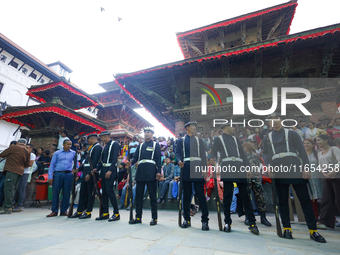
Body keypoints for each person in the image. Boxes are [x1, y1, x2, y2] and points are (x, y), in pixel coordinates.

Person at [263, 113, 326, 243]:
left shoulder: (292, 133)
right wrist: (268, 166)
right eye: (271, 121)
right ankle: (287, 228)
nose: (274, 122)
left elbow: (302, 151)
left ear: (281, 120)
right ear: (269, 123)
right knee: (282, 202)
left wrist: (306, 168)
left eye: (276, 119)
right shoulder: (267, 137)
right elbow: (265, 154)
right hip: (278, 171)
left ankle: (313, 231)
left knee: (304, 200)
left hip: (295, 168)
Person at [211, 123, 259, 235]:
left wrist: (247, 168)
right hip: (227, 167)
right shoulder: (218, 139)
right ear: (224, 128)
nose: (233, 128)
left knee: (245, 196)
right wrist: (213, 159)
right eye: (230, 126)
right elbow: (213, 152)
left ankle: (252, 223)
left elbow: (243, 154)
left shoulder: (236, 139)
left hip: (239, 167)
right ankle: (228, 222)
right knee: (228, 196)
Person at [176, 121, 210, 231]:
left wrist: (205, 168)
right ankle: (187, 219)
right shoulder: (181, 141)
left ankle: (205, 220)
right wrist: (179, 161)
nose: (195, 127)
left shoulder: (199, 140)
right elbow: (178, 154)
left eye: (195, 126)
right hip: (186, 167)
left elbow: (203, 157)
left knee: (201, 195)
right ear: (187, 128)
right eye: (192, 126)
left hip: (197, 167)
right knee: (186, 195)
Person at [127, 127, 161, 226]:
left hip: (151, 170)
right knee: (138, 196)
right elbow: (135, 157)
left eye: (148, 132)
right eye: (145, 132)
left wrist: (158, 171)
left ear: (152, 134)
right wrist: (131, 163)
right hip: (141, 171)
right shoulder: (140, 145)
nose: (146, 134)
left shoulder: (156, 145)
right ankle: (138, 217)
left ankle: (154, 218)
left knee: (152, 196)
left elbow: (158, 158)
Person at [70, 133, 102, 219]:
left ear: (92, 138)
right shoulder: (91, 148)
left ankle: (88, 211)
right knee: (82, 193)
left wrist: (89, 173)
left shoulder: (98, 147)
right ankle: (80, 210)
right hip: (85, 172)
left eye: (89, 139)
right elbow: (86, 162)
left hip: (91, 173)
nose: (88, 141)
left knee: (90, 194)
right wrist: (79, 169)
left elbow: (94, 162)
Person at [243, 138, 271, 227]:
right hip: (246, 178)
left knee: (260, 197)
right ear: (246, 144)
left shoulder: (256, 154)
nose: (253, 144)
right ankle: (248, 217)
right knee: (246, 197)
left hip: (256, 177)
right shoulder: (242, 154)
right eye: (251, 142)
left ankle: (263, 217)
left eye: (254, 142)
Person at [46, 139, 78, 217]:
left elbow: (77, 164)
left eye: (70, 144)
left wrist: (77, 173)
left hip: (68, 174)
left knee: (67, 193)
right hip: (58, 174)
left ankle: (64, 210)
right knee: (55, 192)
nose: (69, 146)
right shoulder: (57, 153)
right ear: (63, 145)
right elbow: (52, 165)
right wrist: (50, 176)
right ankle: (54, 211)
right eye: (68, 144)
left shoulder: (73, 153)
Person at [94, 131, 120, 222]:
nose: (100, 139)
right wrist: (97, 168)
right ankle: (105, 213)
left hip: (110, 169)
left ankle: (116, 213)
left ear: (106, 136)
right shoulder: (104, 146)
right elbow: (102, 160)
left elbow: (114, 159)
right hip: (103, 169)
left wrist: (110, 170)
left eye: (101, 137)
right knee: (104, 191)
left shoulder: (114, 144)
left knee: (109, 191)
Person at [315, 135, 340, 229]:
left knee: (339, 198)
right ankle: (324, 221)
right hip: (326, 176)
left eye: (319, 140)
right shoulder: (319, 153)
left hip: (337, 174)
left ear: (326, 140)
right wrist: (325, 174)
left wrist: (333, 172)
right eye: (316, 141)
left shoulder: (334, 149)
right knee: (326, 198)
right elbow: (320, 166)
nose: (317, 142)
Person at [0, 139, 30, 214]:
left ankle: (7, 207)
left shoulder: (14, 147)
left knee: (8, 188)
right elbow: (27, 163)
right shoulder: (27, 151)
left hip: (12, 170)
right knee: (14, 189)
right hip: (20, 171)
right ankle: (9, 205)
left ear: (17, 142)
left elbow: (2, 154)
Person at [303, 138, 323, 219]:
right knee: (312, 197)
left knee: (322, 197)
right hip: (308, 178)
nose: (306, 145)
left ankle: (328, 217)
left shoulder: (317, 154)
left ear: (312, 145)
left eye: (308, 143)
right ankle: (315, 216)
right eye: (304, 143)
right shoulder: (301, 155)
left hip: (318, 177)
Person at [13, 144, 36, 212]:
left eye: (27, 148)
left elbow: (30, 164)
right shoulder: (21, 154)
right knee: (14, 188)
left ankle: (19, 205)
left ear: (30, 149)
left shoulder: (32, 155)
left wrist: (19, 165)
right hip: (17, 172)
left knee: (21, 189)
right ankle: (13, 203)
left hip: (25, 173)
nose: (25, 148)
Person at [0, 141, 17, 208]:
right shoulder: (4, 152)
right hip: (1, 171)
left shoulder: (14, 155)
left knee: (2, 188)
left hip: (6, 172)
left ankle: (3, 204)